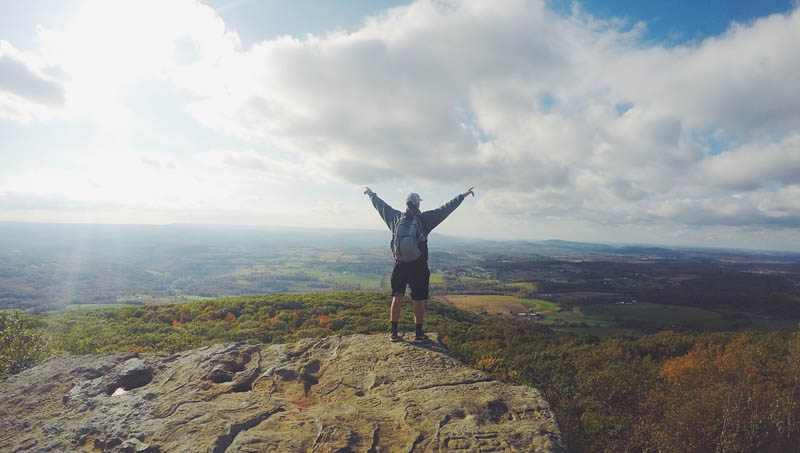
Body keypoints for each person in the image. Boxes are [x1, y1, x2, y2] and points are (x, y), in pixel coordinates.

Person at [364, 186, 475, 342]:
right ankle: (418, 334)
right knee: (418, 300)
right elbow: (445, 209)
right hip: (418, 265)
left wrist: (370, 194)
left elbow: (380, 205)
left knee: (397, 297)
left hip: (400, 264)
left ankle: (394, 333)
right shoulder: (424, 219)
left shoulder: (395, 218)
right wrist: (462, 196)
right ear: (418, 204)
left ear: (406, 203)